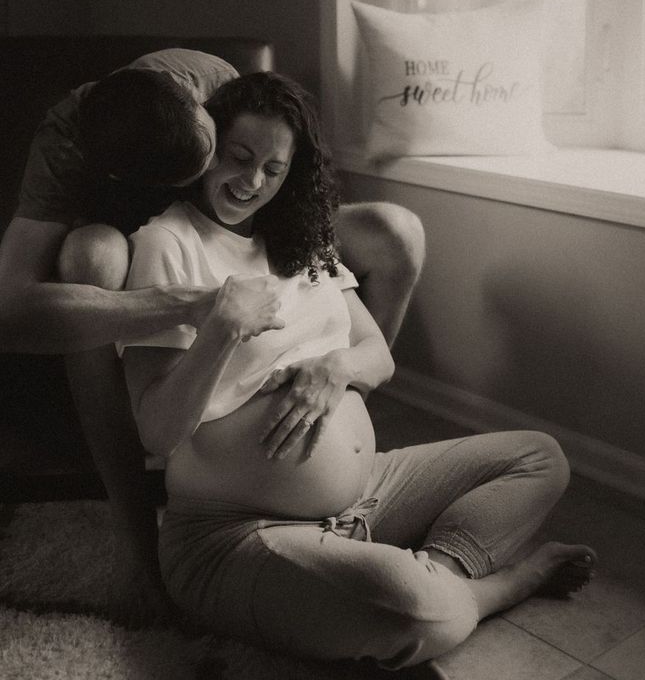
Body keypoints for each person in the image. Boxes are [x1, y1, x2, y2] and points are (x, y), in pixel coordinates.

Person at [121, 71, 596, 669]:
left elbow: (379, 355)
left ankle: (432, 576)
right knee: (416, 609)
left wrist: (336, 367)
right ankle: (492, 588)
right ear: (210, 148)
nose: (252, 182)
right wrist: (221, 327)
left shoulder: (298, 239)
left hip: (369, 490)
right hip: (233, 531)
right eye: (240, 157)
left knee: (540, 457)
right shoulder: (166, 243)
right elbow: (156, 431)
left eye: (274, 169)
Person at [0, 48, 424, 627]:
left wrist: (338, 362)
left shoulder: (216, 82)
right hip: (139, 250)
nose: (212, 174)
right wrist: (192, 305)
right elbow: (9, 307)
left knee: (395, 233)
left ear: (206, 110)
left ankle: (323, 442)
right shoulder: (66, 140)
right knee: (91, 256)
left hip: (233, 226)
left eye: (210, 152)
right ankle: (142, 543)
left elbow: (269, 164)